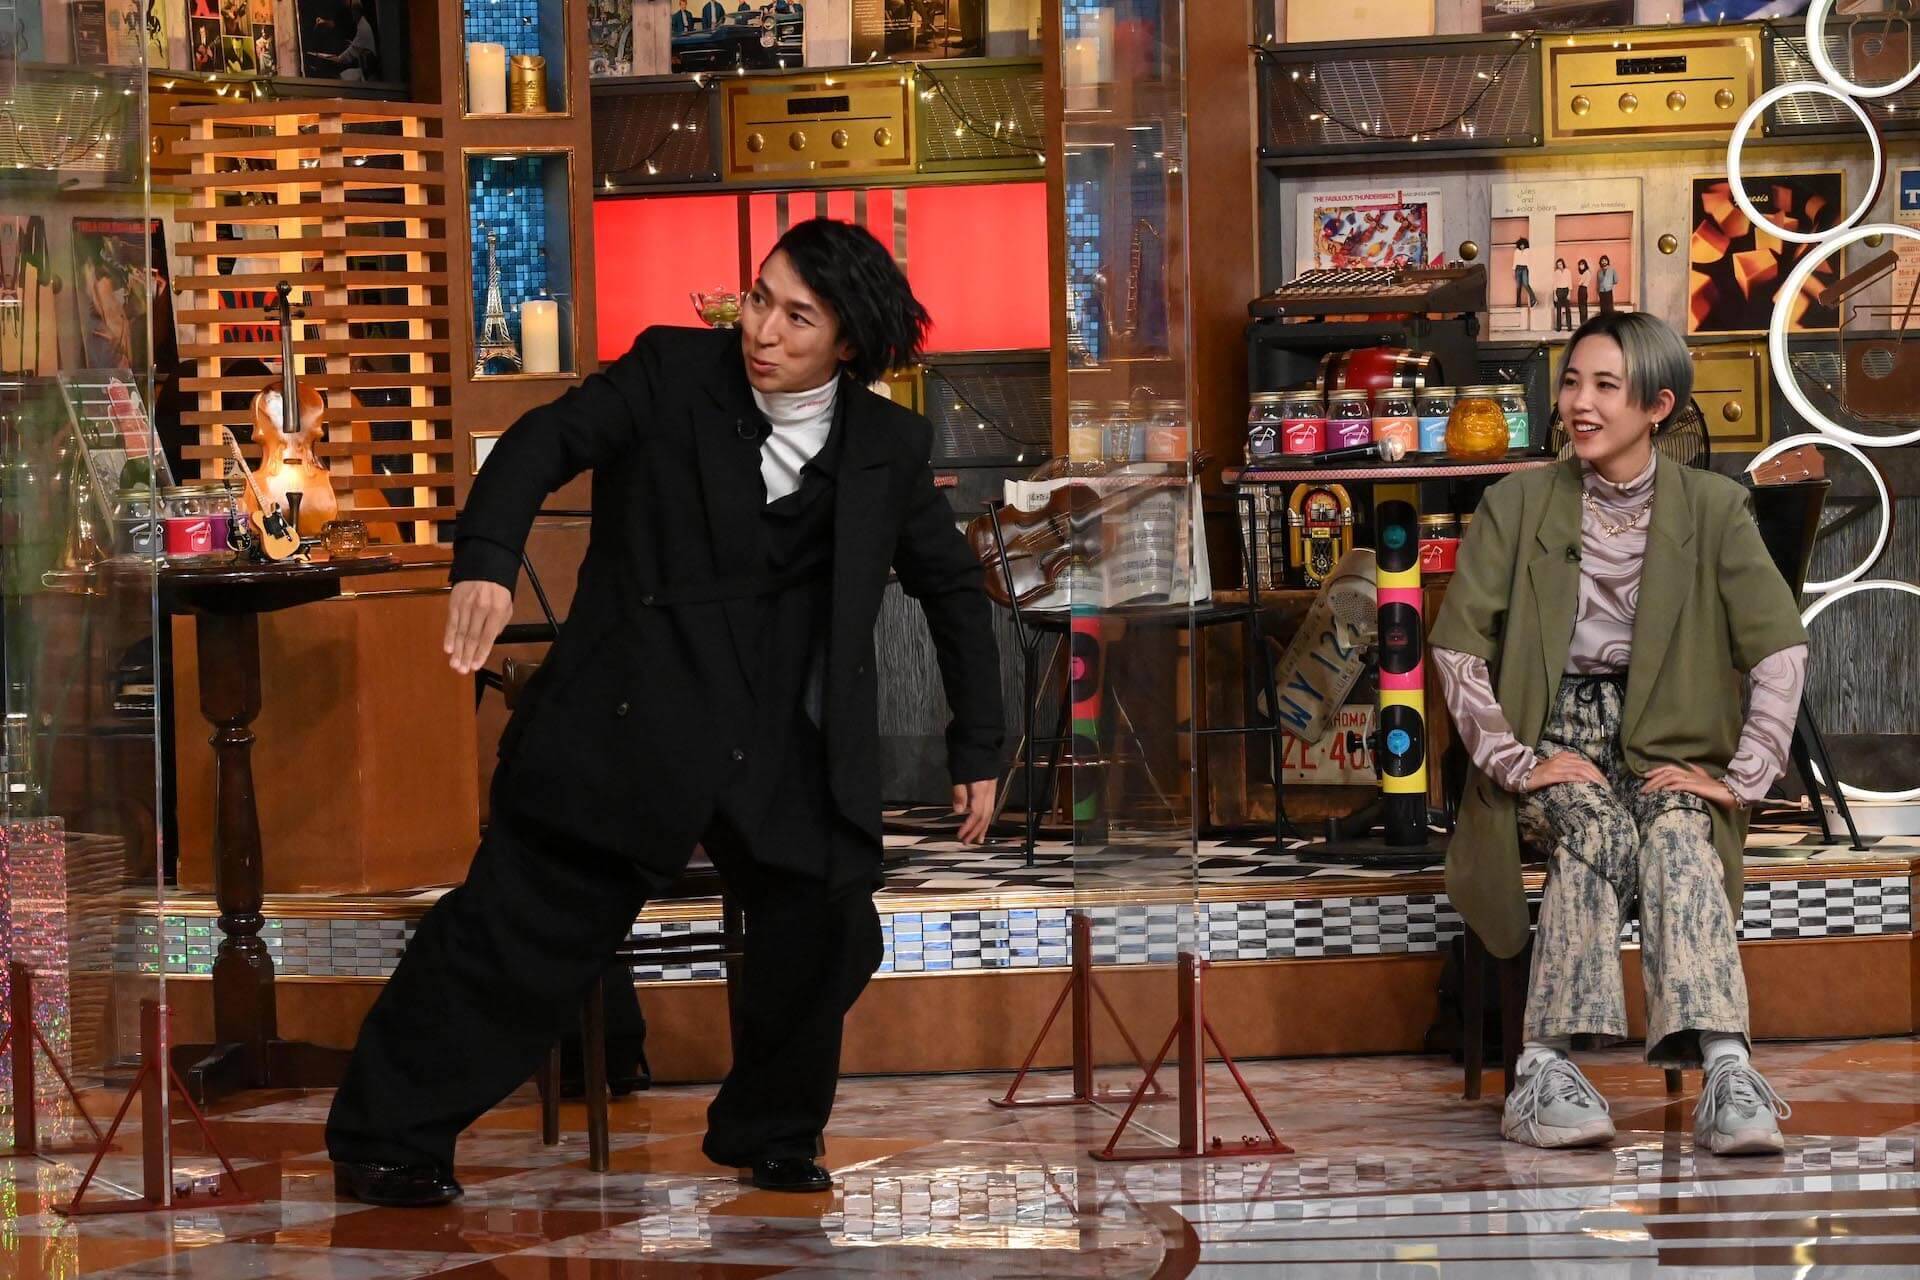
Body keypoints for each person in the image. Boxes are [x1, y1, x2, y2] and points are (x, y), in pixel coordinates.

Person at [326, 218, 1004, 1207]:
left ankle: (772, 1129)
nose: (762, 329)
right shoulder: (670, 373)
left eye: (797, 316)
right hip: (631, 717)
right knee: (519, 929)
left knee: (829, 920)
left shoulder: (885, 446)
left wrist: (978, 745)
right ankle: (385, 1136)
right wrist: (487, 560)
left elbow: (952, 590)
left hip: (779, 741)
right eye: (760, 297)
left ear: (847, 342)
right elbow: (542, 441)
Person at [1431, 311, 1808, 1156]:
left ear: (1657, 406)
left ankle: (1725, 1072)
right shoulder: (1516, 503)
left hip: (1665, 748)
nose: (1581, 403)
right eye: (1572, 382)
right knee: (1595, 823)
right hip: (1549, 740)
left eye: (1606, 385)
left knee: (1676, 835)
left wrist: (1743, 777)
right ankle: (1543, 1072)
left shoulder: (1714, 508)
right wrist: (1514, 761)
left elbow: (1781, 648)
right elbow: (1456, 647)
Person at [1513, 236, 1538, 311]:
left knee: (1526, 284)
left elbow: (1530, 261)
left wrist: (1530, 270)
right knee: (1518, 286)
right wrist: (1513, 270)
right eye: (1520, 245)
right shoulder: (1516, 251)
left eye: (1523, 245)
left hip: (1525, 268)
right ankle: (1518, 304)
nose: (1522, 246)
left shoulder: (1528, 251)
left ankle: (1533, 299)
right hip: (1517, 268)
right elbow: (1515, 261)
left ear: (1525, 245)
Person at [1552, 258, 1572, 332]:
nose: (1559, 266)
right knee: (1558, 310)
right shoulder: (1556, 272)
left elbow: (1570, 282)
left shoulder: (1568, 271)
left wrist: (1569, 293)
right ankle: (1558, 327)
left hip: (1566, 290)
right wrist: (1555, 295)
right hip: (1559, 290)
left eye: (1560, 264)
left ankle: (1569, 327)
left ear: (1563, 264)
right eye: (1558, 265)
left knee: (1568, 309)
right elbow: (1554, 284)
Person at [1576, 258, 1592, 325]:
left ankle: (1583, 324)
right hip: (1583, 290)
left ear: (1585, 265)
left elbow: (1580, 283)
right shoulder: (1586, 272)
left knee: (1582, 308)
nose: (1581, 266)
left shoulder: (1586, 272)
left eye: (1582, 264)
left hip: (1582, 289)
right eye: (1580, 265)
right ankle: (1584, 324)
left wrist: (1579, 282)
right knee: (1583, 307)